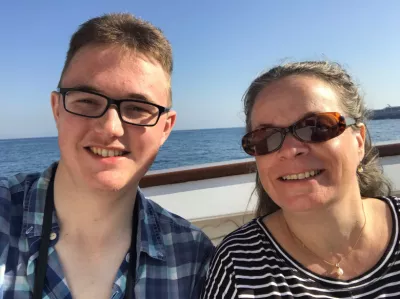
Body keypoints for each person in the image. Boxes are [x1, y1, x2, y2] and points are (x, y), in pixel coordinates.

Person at [0, 13, 214, 299]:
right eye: (87, 101)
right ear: (57, 109)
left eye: (138, 108)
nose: (110, 128)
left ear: (165, 128)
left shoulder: (192, 255)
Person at [202, 61, 399, 298]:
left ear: (358, 141)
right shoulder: (240, 265)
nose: (290, 150)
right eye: (266, 137)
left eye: (316, 126)